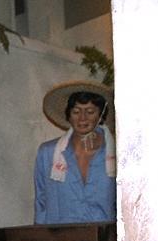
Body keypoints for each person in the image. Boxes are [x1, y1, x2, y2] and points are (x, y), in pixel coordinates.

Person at [34, 81, 116, 224]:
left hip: (105, 240)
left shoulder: (117, 156)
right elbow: (41, 203)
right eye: (76, 111)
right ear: (69, 115)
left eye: (90, 112)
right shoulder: (47, 154)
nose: (82, 118)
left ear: (101, 115)